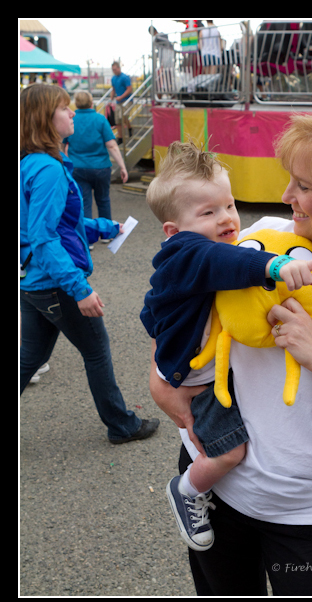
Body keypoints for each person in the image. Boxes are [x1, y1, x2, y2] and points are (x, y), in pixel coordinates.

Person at [149, 102, 312, 596]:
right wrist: (158, 377)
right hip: (215, 491)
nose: (286, 195)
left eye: (303, 185)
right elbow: (181, 299)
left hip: (310, 520)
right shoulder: (264, 238)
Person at [141, 141, 312, 551]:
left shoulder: (199, 250)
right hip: (196, 380)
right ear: (173, 232)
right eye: (208, 213)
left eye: (229, 205)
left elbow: (150, 312)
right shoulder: (188, 252)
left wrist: (163, 340)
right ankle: (188, 490)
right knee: (229, 453)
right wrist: (277, 266)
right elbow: (226, 265)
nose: (228, 219)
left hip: (192, 365)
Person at [20, 83, 159, 445]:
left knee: (29, 357)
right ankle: (122, 425)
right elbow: (44, 236)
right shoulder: (49, 169)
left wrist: (104, 227)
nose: (71, 114)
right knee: (96, 352)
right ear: (45, 119)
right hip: (55, 281)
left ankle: (121, 423)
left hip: (36, 281)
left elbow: (56, 225)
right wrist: (79, 288)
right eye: (63, 109)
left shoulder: (32, 162)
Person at [63, 92, 128, 239]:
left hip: (78, 167)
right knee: (103, 199)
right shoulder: (100, 119)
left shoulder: (71, 120)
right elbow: (112, 145)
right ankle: (108, 234)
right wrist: (122, 166)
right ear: (92, 103)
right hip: (101, 167)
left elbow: (62, 146)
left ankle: (87, 237)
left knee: (84, 201)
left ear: (76, 104)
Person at [110, 61, 132, 144]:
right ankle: (120, 138)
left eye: (115, 69)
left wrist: (121, 97)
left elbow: (129, 89)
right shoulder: (113, 79)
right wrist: (111, 99)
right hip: (118, 101)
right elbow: (113, 89)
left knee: (123, 116)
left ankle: (129, 128)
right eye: (113, 70)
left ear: (119, 68)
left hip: (126, 100)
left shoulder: (125, 77)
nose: (114, 71)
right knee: (118, 119)